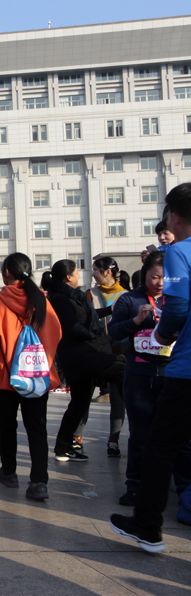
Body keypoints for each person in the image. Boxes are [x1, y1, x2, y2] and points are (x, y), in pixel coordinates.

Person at [111, 183, 191, 552]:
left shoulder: (178, 253)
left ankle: (147, 526)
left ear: (173, 217)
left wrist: (161, 334)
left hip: (185, 370)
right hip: (150, 372)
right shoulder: (132, 298)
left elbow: (177, 309)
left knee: (161, 444)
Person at [109, 251, 191, 507]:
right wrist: (136, 321)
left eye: (165, 278)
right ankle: (135, 486)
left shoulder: (179, 300)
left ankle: (184, 490)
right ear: (145, 274)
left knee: (179, 436)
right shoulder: (129, 299)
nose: (159, 282)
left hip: (172, 375)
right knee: (140, 435)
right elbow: (113, 332)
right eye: (155, 277)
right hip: (139, 376)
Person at [0, 253, 62, 501]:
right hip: (36, 375)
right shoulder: (42, 300)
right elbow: (56, 333)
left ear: (7, 273)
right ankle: (39, 482)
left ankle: (9, 472)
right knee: (37, 428)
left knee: (7, 426)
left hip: (5, 375)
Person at [46, 260, 125, 462]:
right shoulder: (60, 299)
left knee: (79, 403)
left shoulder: (73, 296)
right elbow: (72, 326)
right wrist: (92, 335)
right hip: (80, 357)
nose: (79, 275)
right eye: (76, 272)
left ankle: (63, 448)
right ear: (68, 277)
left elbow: (87, 316)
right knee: (124, 368)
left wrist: (109, 310)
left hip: (84, 355)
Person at [87, 256, 128, 457]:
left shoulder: (127, 296)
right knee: (84, 396)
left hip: (121, 352)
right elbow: (86, 318)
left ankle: (114, 439)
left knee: (118, 398)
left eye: (96, 270)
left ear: (107, 272)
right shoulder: (91, 294)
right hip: (96, 351)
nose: (93, 273)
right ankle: (76, 438)